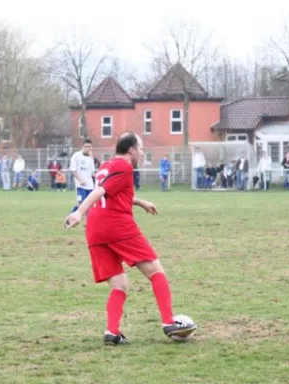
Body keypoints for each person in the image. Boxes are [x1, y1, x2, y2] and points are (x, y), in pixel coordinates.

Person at [64, 132, 197, 346]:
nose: (143, 153)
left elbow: (113, 193)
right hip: (117, 226)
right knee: (156, 271)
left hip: (95, 231)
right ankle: (168, 322)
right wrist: (79, 212)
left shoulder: (106, 165)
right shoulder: (124, 167)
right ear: (132, 150)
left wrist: (140, 202)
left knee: (119, 284)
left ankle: (112, 332)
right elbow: (101, 191)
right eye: (141, 149)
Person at [69, 139, 96, 214]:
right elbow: (73, 170)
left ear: (91, 147)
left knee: (90, 205)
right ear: (82, 147)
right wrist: (80, 180)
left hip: (90, 186)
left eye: (89, 147)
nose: (87, 148)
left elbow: (92, 172)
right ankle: (70, 217)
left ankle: (89, 223)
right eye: (86, 146)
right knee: (80, 204)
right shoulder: (76, 155)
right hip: (80, 186)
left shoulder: (91, 158)